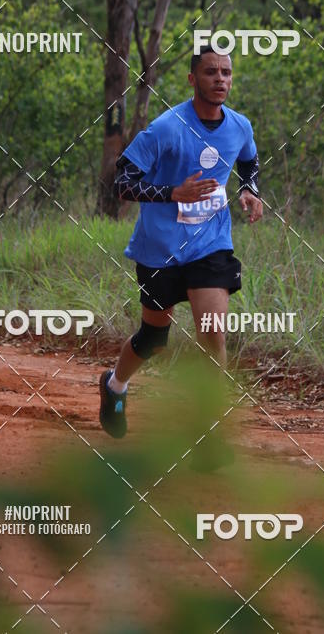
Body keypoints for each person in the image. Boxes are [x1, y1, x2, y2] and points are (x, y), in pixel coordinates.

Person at [99, 46, 263, 438]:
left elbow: (249, 161)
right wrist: (174, 193)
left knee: (213, 332)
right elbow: (121, 183)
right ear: (192, 79)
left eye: (226, 72)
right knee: (154, 338)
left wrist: (249, 189)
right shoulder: (166, 129)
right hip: (160, 249)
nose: (220, 79)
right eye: (210, 72)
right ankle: (114, 385)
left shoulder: (239, 126)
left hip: (211, 246)